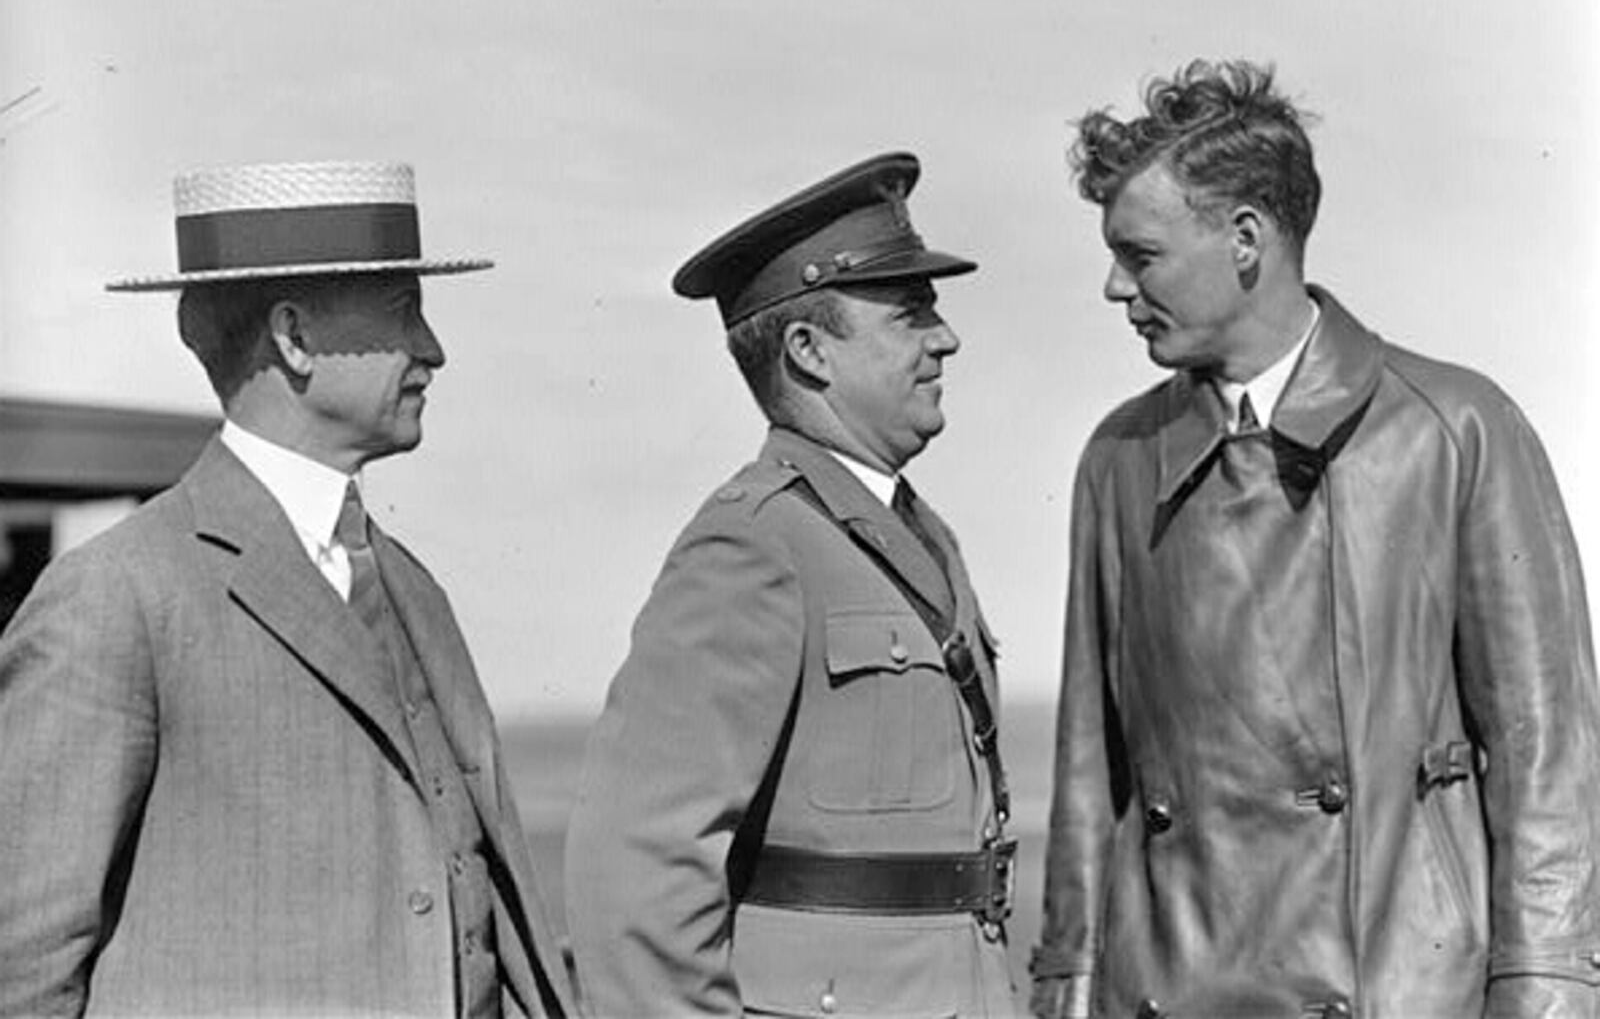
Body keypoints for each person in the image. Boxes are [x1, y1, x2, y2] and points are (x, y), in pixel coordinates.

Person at [1028, 60, 1600, 1019]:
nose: (1113, 286)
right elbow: (1092, 776)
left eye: (1142, 253)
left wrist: (1547, 992)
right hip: (1168, 989)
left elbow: (1548, 754)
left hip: (1401, 992)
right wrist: (1066, 993)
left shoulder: (1453, 428)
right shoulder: (1119, 459)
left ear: (1245, 238)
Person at [0, 161, 576, 1018]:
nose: (434, 350)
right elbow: (23, 971)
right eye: (402, 312)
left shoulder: (412, 587)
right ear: (295, 337)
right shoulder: (116, 596)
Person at [566, 152, 1020, 1017]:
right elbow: (635, 873)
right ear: (809, 352)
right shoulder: (754, 544)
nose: (945, 338)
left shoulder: (919, 534)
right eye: (910, 313)